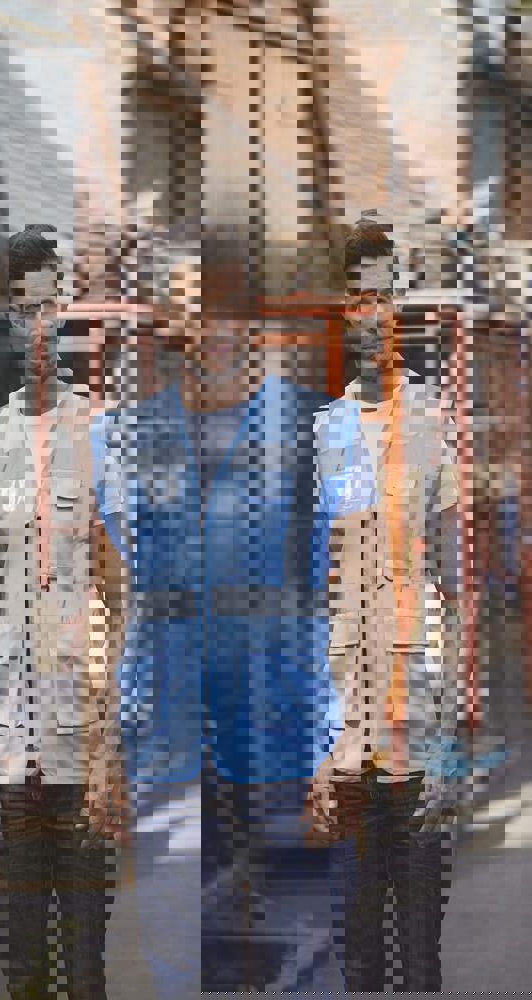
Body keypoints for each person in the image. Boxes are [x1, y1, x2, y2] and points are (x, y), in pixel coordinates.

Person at [90, 223, 371, 995]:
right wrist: (102, 749)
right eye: (188, 310)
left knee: (304, 961)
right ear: (164, 323)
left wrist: (349, 740)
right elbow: (113, 600)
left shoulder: (326, 431)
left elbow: (357, 587)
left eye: (224, 309)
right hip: (166, 745)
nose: (208, 328)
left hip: (292, 742)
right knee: (183, 960)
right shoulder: (117, 440)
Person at [310, 214, 461, 991]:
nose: (372, 314)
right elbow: (314, 580)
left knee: (420, 940)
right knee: (359, 936)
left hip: (421, 697)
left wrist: (460, 702)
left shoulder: (431, 421)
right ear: (345, 311)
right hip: (348, 707)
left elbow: (456, 573)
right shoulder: (327, 432)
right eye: (359, 299)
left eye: (383, 297)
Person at [0, 225, 124, 1000]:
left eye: (46, 307)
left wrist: (105, 744)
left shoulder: (98, 431)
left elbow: (116, 593)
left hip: (78, 716)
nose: (34, 325)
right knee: (23, 962)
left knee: (85, 961)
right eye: (20, 308)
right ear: (4, 314)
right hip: (12, 726)